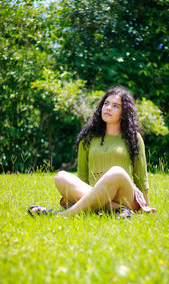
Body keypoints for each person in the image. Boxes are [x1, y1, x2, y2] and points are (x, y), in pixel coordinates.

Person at [28, 86, 156, 218]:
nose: (108, 108)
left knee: (116, 172)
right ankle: (115, 210)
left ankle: (61, 215)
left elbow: (141, 177)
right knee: (60, 177)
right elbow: (82, 177)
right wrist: (75, 193)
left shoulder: (133, 137)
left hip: (126, 196)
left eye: (115, 106)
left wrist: (145, 206)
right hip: (96, 194)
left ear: (123, 113)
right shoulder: (88, 138)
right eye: (106, 104)